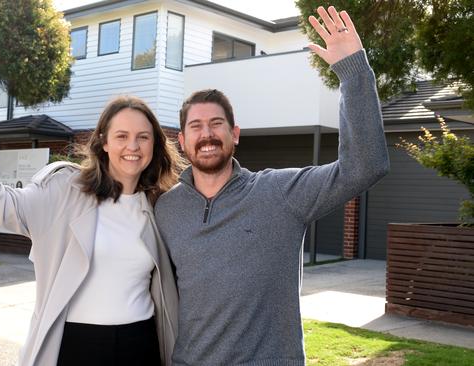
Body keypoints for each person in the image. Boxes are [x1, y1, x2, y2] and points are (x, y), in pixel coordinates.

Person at [154, 6, 389, 366]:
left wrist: (353, 72)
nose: (207, 134)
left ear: (234, 135)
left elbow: (364, 167)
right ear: (182, 141)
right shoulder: (165, 209)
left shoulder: (280, 194)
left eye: (216, 124)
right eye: (196, 127)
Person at [0, 69, 182, 366]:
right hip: (74, 345)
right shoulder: (64, 190)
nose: (133, 146)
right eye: (122, 136)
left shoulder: (162, 204)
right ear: (104, 142)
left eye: (143, 137)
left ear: (154, 145)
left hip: (140, 344)